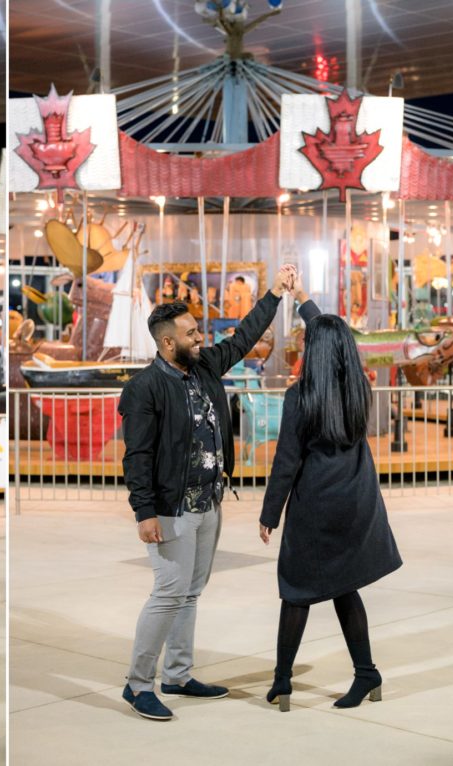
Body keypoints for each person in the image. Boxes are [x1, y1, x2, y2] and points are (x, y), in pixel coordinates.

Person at [118, 263, 296, 721]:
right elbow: (137, 456)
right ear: (166, 342)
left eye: (198, 331)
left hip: (209, 502)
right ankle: (139, 685)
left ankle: (177, 674)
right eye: (192, 333)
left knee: (191, 591)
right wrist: (145, 513)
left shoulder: (205, 367)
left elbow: (242, 337)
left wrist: (274, 294)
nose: (200, 338)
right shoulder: (145, 389)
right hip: (172, 508)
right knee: (168, 591)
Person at [258, 302, 403, 713]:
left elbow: (287, 461)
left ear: (313, 352)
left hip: (317, 505)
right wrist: (307, 303)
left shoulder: (300, 397)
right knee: (344, 586)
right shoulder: (360, 391)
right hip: (357, 502)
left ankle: (282, 680)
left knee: (297, 589)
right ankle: (366, 672)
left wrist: (270, 514)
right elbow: (329, 332)